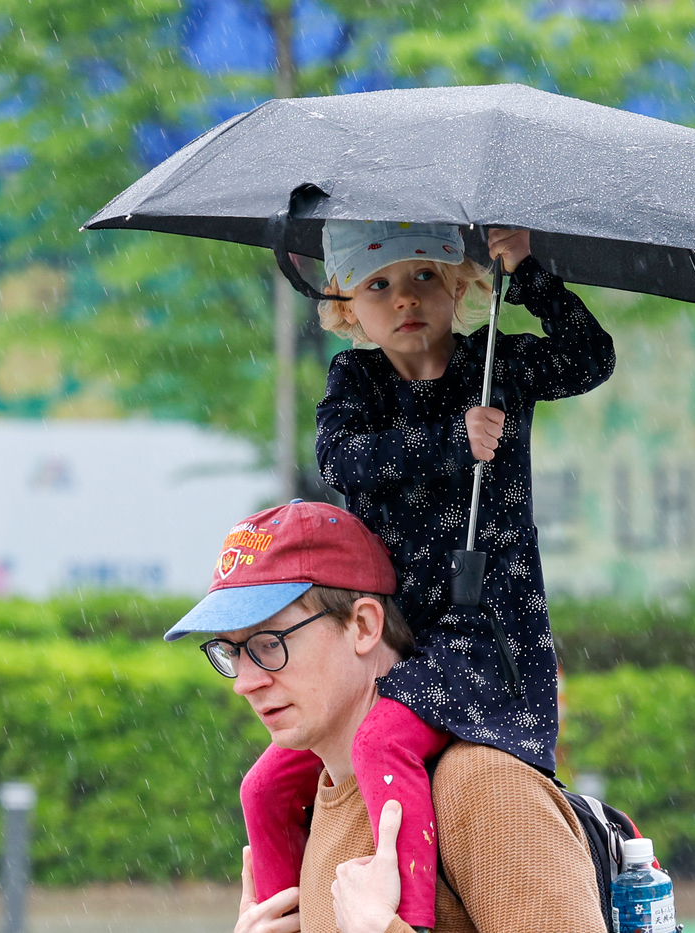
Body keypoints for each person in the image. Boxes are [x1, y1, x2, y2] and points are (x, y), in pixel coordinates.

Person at [239, 221, 615, 930]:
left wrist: (529, 272)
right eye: (378, 285)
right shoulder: (355, 379)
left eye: (425, 278)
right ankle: (285, 913)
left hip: (478, 632)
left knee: (383, 742)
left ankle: (404, 914)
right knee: (264, 785)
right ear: (349, 305)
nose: (405, 299)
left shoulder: (496, 366)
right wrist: (449, 440)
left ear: (463, 286)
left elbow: (591, 357)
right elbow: (342, 461)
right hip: (391, 634)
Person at [165, 499, 607, 933]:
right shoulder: (320, 804)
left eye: (268, 643)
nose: (245, 682)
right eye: (232, 651)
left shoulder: (482, 787)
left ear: (363, 626)